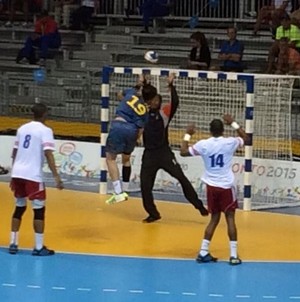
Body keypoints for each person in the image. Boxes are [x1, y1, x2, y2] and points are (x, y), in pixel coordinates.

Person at [180, 114, 248, 265]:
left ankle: (203, 251)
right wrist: (234, 123)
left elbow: (183, 152)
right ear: (223, 130)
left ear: (210, 131)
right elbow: (247, 139)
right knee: (230, 218)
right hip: (226, 186)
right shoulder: (229, 142)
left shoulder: (203, 144)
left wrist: (188, 134)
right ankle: (233, 255)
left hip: (211, 186)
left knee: (214, 219)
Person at [140, 73, 208, 223]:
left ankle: (199, 206)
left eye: (158, 99)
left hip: (164, 153)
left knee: (181, 178)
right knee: (145, 186)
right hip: (149, 155)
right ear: (150, 101)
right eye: (154, 99)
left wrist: (171, 85)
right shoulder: (142, 112)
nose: (157, 101)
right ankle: (153, 213)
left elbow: (175, 102)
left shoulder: (164, 114)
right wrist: (143, 84)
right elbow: (140, 98)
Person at [9, 103, 63, 256]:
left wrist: (14, 173)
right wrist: (56, 176)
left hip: (18, 173)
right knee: (39, 211)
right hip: (33, 175)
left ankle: (13, 243)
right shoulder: (45, 131)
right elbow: (48, 154)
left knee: (19, 208)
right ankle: (38, 247)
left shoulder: (22, 128)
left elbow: (14, 152)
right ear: (45, 114)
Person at [105, 76, 157, 205]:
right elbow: (140, 130)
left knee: (110, 158)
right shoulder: (145, 111)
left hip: (119, 126)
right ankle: (126, 188)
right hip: (132, 132)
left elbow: (119, 94)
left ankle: (118, 192)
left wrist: (129, 96)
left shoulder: (131, 92)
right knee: (126, 158)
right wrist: (136, 139)